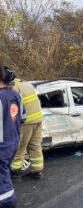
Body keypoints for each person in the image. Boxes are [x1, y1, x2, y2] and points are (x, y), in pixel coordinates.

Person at [0, 65, 25, 208]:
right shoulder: (16, 95)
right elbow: (23, 118)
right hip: (12, 143)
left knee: (3, 183)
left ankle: (8, 202)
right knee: (4, 173)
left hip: (1, 147)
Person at [11, 80, 43, 181]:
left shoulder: (14, 87)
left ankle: (16, 174)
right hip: (38, 119)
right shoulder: (27, 84)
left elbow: (13, 107)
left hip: (26, 122)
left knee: (20, 148)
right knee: (35, 146)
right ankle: (37, 172)